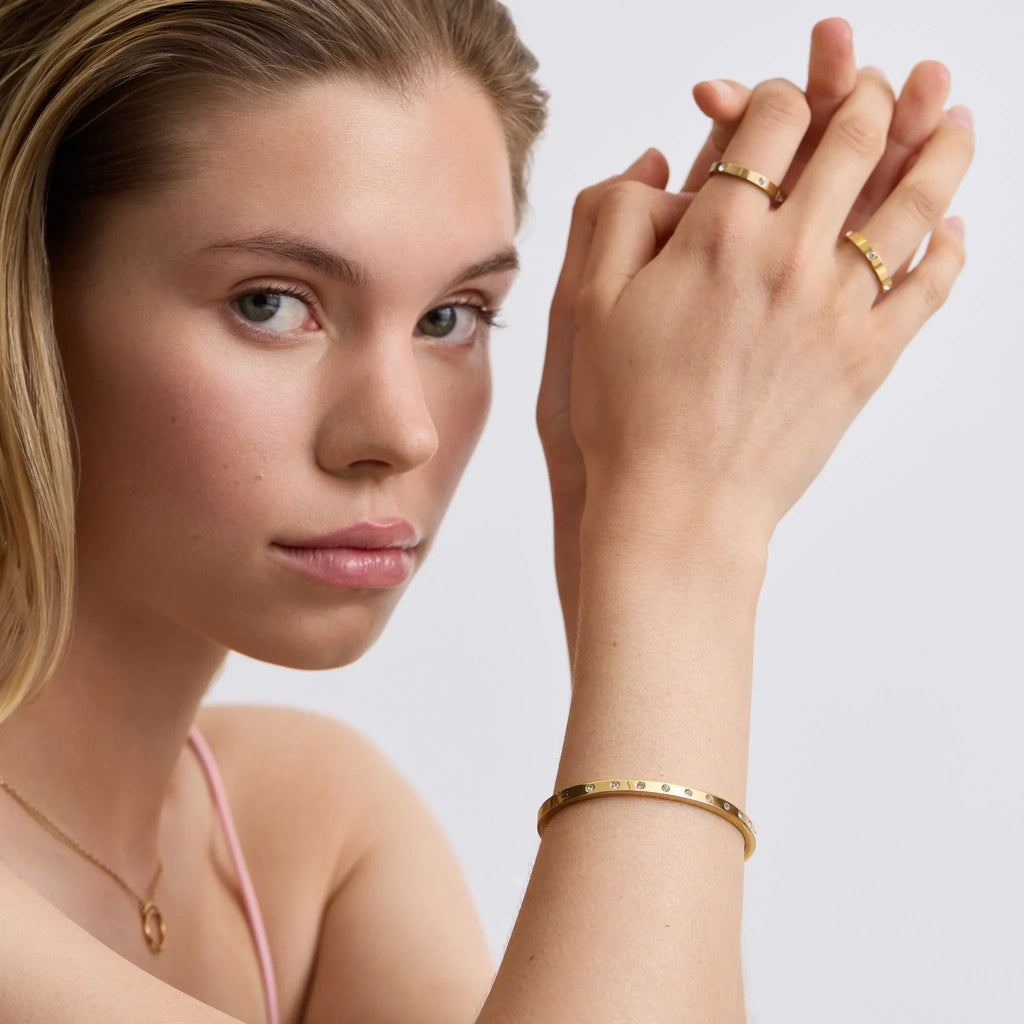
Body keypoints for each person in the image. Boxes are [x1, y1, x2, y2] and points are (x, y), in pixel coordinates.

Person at [0, 1, 972, 1021]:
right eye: (269, 303)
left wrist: (633, 552)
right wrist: (681, 546)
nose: (401, 431)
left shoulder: (305, 829)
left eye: (448, 317)